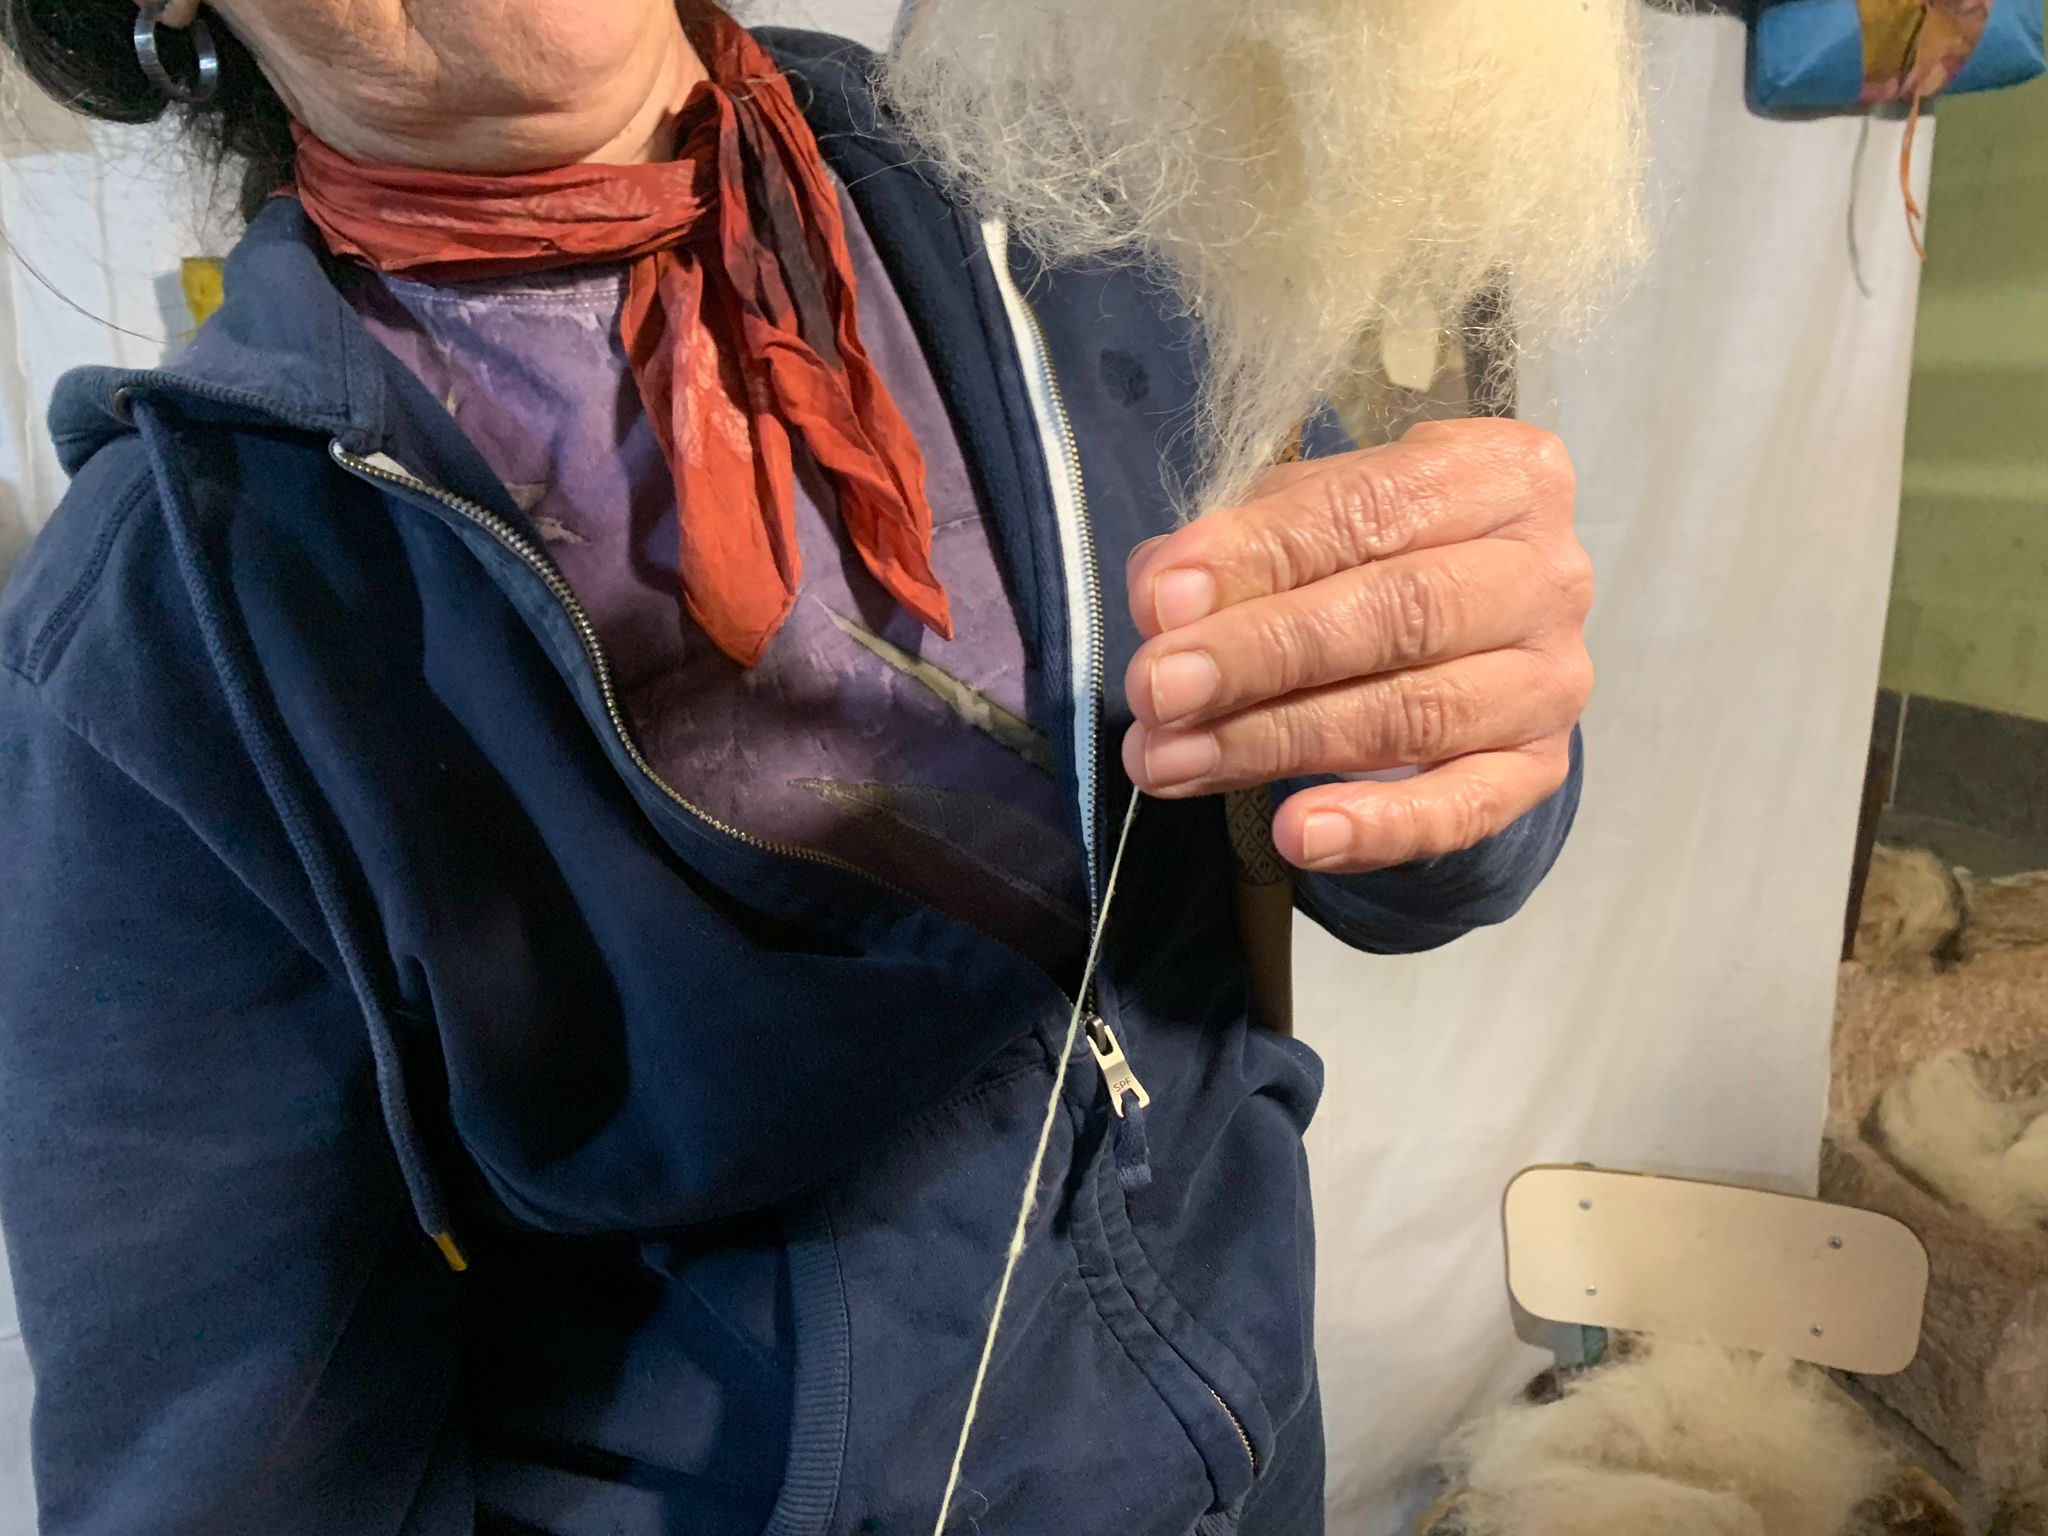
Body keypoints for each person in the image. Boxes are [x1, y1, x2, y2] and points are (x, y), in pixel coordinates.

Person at [0, 2, 1634, 1532]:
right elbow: (241, 1483)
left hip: (1253, 1467)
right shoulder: (164, 640)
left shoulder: (1073, 190)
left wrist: (1455, 737)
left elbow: (1395, 842)